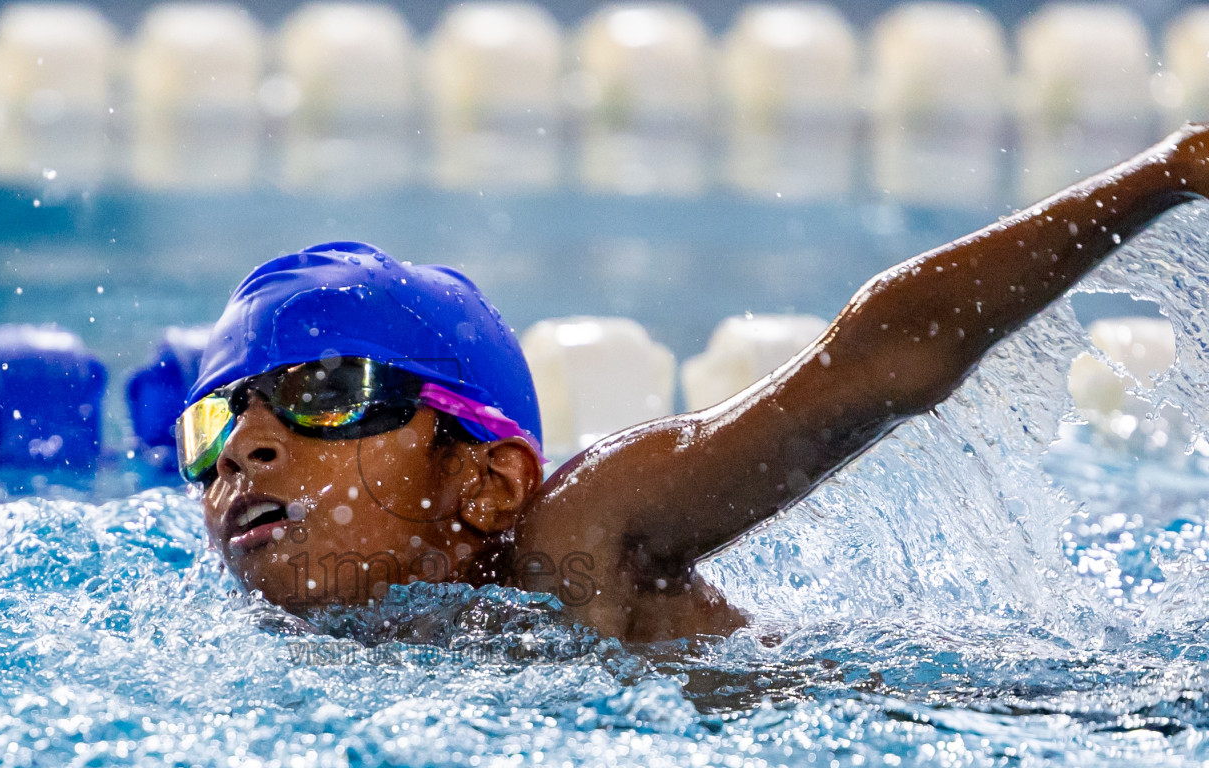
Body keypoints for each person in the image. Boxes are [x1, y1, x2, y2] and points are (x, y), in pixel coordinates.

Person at [177, 124, 1209, 643]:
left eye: (323, 391)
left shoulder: (569, 542)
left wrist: (1161, 173)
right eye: (218, 420)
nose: (246, 447)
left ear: (487, 481)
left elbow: (879, 366)